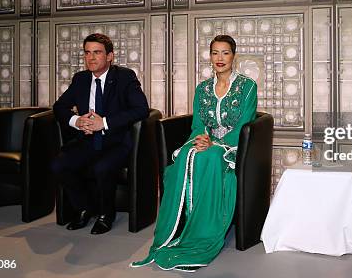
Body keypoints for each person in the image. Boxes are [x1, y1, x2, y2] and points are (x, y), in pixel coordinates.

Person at [131, 34, 257, 271]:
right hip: (204, 141)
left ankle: (201, 235)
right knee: (184, 159)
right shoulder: (202, 89)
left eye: (225, 53)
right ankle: (173, 234)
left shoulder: (247, 86)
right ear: (210, 56)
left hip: (233, 147)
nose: (220, 58)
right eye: (215, 53)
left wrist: (216, 144)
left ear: (234, 56)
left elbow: (244, 124)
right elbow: (198, 124)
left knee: (209, 156)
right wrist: (201, 138)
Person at [51, 33, 149, 234]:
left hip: (116, 141)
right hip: (87, 140)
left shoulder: (124, 77)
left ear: (110, 56)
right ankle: (84, 208)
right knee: (59, 164)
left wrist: (103, 123)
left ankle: (106, 215)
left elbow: (141, 109)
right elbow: (59, 106)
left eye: (97, 52)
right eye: (87, 53)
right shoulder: (81, 79)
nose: (91, 58)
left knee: (102, 167)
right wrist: (77, 121)